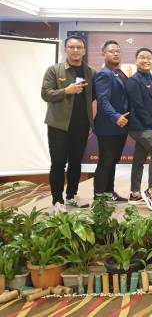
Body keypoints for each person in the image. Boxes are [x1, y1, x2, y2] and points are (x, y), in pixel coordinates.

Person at [41, 35, 95, 214]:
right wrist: (66, 90)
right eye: (72, 47)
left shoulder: (90, 72)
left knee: (76, 162)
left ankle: (71, 195)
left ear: (84, 51)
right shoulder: (54, 70)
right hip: (58, 126)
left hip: (81, 125)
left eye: (79, 47)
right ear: (66, 49)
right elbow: (46, 94)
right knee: (58, 163)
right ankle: (57, 201)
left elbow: (92, 95)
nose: (75, 50)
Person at [126, 48, 152, 211]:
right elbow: (138, 107)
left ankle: (135, 193)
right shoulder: (133, 81)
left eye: (149, 58)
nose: (146, 60)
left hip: (151, 124)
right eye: (142, 57)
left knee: (140, 157)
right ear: (136, 61)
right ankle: (151, 190)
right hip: (138, 126)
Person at [93, 40, 130, 203]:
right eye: (111, 51)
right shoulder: (104, 74)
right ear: (103, 54)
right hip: (108, 126)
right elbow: (103, 100)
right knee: (106, 161)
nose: (115, 53)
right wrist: (116, 117)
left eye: (117, 51)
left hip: (121, 127)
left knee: (112, 161)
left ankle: (109, 192)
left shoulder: (118, 72)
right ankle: (99, 198)